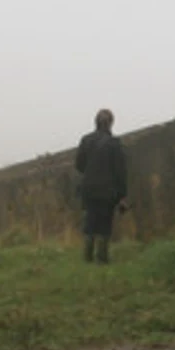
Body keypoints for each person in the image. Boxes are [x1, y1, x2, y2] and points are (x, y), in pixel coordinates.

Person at [75, 108, 128, 264]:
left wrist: (91, 173)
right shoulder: (114, 143)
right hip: (107, 190)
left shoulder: (86, 140)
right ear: (110, 123)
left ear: (96, 123)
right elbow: (120, 171)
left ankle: (87, 258)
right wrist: (122, 195)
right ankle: (102, 259)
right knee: (104, 224)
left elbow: (79, 165)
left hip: (89, 189)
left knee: (90, 223)